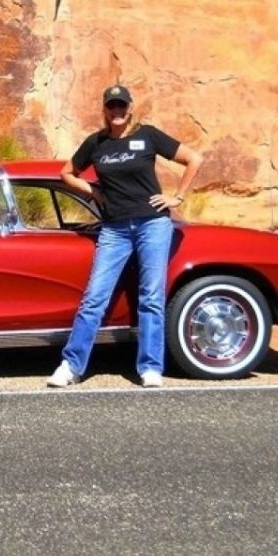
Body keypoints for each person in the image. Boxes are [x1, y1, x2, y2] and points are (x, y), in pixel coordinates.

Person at [47, 84, 203, 388]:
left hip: (152, 225)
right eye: (111, 106)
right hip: (114, 229)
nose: (116, 111)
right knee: (94, 298)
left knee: (151, 298)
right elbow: (66, 173)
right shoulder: (96, 143)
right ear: (105, 110)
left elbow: (193, 159)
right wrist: (93, 191)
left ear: (129, 107)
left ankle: (150, 368)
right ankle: (71, 366)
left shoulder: (148, 135)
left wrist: (178, 197)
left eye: (121, 105)